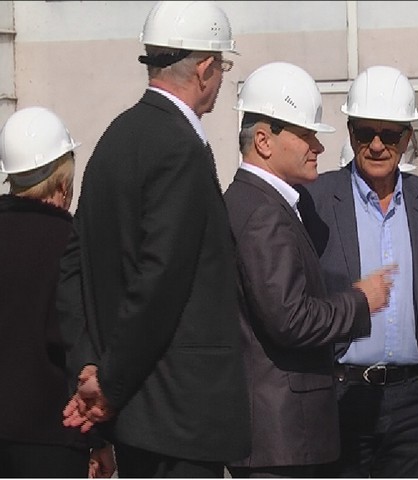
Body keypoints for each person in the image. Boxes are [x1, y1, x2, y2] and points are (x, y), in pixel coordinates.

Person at [56, 1, 251, 477]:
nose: (220, 80)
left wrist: (88, 367)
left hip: (135, 417)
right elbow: (160, 279)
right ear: (205, 68)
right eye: (222, 68)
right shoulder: (180, 147)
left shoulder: (115, 138)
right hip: (178, 415)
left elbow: (73, 267)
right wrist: (109, 383)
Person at [224, 61, 395, 478]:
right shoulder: (264, 212)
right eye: (305, 135)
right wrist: (360, 301)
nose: (317, 147)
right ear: (263, 141)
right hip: (283, 439)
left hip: (280, 437)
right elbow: (290, 319)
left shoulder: (258, 202)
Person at [298, 65, 418, 478]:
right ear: (350, 132)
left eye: (389, 135)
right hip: (340, 397)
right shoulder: (316, 199)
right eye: (364, 133)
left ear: (407, 138)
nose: (376, 145)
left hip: (413, 404)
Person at [0, 106, 115, 478]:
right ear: (63, 184)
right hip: (53, 436)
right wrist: (99, 440)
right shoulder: (72, 243)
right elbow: (78, 345)